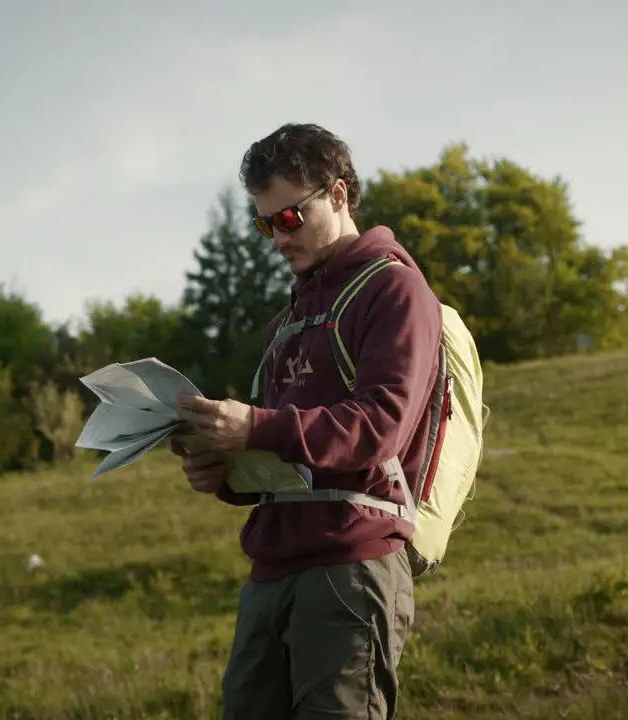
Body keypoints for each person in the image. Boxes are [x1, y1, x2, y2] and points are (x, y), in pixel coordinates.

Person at [172, 123, 445, 719]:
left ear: (339, 195)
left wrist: (256, 427)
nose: (276, 238)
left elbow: (380, 426)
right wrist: (221, 470)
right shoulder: (284, 322)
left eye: (289, 218)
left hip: (350, 568)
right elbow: (282, 458)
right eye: (265, 223)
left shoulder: (395, 291)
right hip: (270, 572)